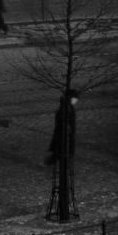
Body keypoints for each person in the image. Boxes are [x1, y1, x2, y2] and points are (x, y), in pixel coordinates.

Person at [46, 91, 78, 220]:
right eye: (75, 99)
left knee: (62, 166)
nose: (76, 101)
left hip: (63, 143)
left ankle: (54, 158)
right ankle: (64, 211)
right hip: (64, 142)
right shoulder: (66, 110)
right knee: (64, 170)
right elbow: (65, 128)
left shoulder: (65, 108)